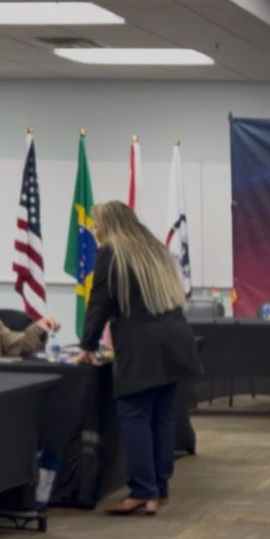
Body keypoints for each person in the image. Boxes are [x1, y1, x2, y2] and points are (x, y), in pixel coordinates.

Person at [77, 201, 202, 516]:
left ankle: (142, 490)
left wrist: (87, 345)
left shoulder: (113, 251)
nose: (95, 231)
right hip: (174, 339)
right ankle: (159, 489)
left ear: (109, 224)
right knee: (161, 415)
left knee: (134, 414)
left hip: (143, 347)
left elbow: (99, 302)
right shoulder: (153, 248)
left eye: (96, 224)